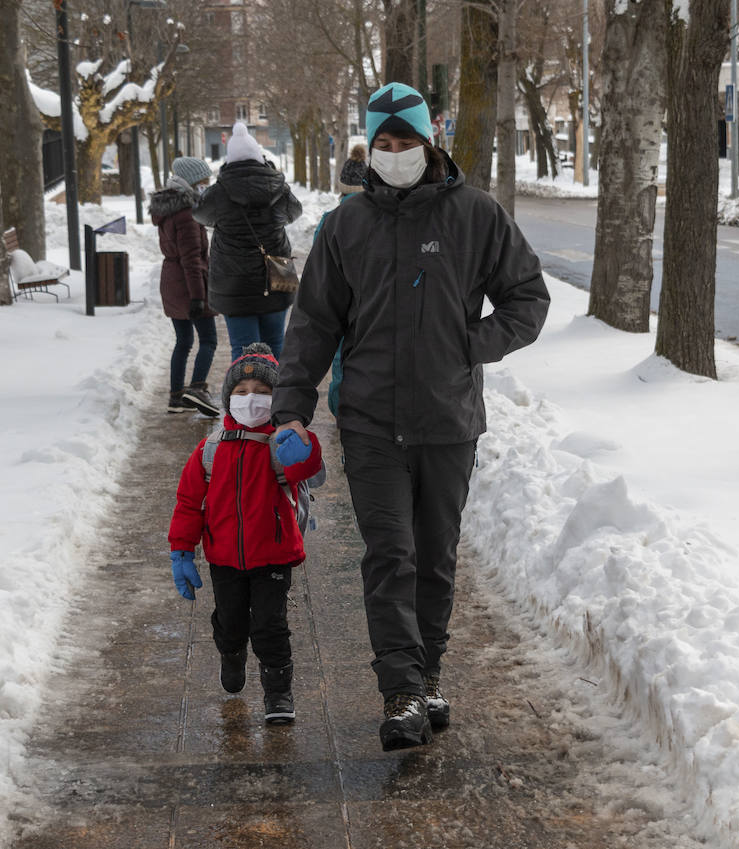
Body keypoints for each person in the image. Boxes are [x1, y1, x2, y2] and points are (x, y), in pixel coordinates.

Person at [271, 82, 551, 751]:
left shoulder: (476, 215)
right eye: (386, 143)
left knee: (435, 558)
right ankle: (400, 691)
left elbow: (527, 297)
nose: (396, 153)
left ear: (431, 142)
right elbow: (313, 325)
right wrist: (291, 408)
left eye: (407, 142)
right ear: (373, 146)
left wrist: (471, 346)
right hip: (369, 420)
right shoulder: (346, 225)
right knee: (390, 554)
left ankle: (427, 674)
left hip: (448, 420)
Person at [168, 343, 324, 725]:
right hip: (224, 557)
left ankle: (278, 693)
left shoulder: (279, 445)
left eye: (262, 392)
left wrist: (303, 446)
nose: (251, 399)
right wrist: (182, 551)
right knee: (232, 621)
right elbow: (189, 501)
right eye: (241, 392)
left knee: (271, 625)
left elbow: (311, 468)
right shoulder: (210, 450)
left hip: (275, 552)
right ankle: (231, 652)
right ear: (228, 399)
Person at [193, 122, 303, 362]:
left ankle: (245, 398)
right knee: (276, 345)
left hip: (234, 283)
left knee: (244, 350)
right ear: (259, 157)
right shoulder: (278, 187)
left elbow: (200, 215)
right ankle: (278, 398)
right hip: (277, 275)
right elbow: (295, 212)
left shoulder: (219, 192)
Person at [151, 157, 221, 416]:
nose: (207, 184)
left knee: (183, 341)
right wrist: (198, 297)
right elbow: (192, 259)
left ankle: (176, 396)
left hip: (171, 280)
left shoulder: (169, 208)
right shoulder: (187, 215)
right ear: (192, 182)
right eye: (204, 181)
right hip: (189, 284)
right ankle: (196, 389)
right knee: (209, 340)